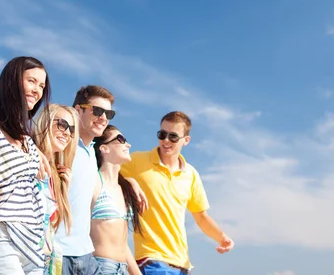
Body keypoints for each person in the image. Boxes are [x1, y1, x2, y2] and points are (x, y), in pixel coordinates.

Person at [120, 111, 234, 275]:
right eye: (162, 134)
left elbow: (201, 217)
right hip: (151, 260)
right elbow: (107, 172)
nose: (166, 140)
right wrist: (130, 181)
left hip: (182, 264)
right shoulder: (137, 161)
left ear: (186, 140)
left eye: (173, 136)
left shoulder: (191, 174)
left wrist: (221, 236)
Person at [0, 56, 51, 275]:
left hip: (32, 243)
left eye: (42, 85)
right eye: (31, 81)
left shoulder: (26, 138)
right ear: (12, 81)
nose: (37, 90)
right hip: (1, 235)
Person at [55, 85, 146, 275]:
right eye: (97, 111)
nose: (103, 117)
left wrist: (128, 181)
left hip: (85, 257)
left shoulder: (89, 154)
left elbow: (104, 176)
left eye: (108, 113)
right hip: (61, 254)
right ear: (78, 110)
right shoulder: (63, 147)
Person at [33, 104, 79, 275]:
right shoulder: (27, 158)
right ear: (45, 123)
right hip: (22, 259)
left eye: (71, 129)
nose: (67, 133)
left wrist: (64, 191)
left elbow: (51, 227)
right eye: (62, 124)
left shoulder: (57, 176)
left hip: (46, 263)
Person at [91, 126, 142, 275]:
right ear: (104, 148)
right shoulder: (93, 181)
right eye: (121, 139)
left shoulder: (124, 189)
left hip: (123, 269)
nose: (128, 144)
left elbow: (122, 244)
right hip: (100, 267)